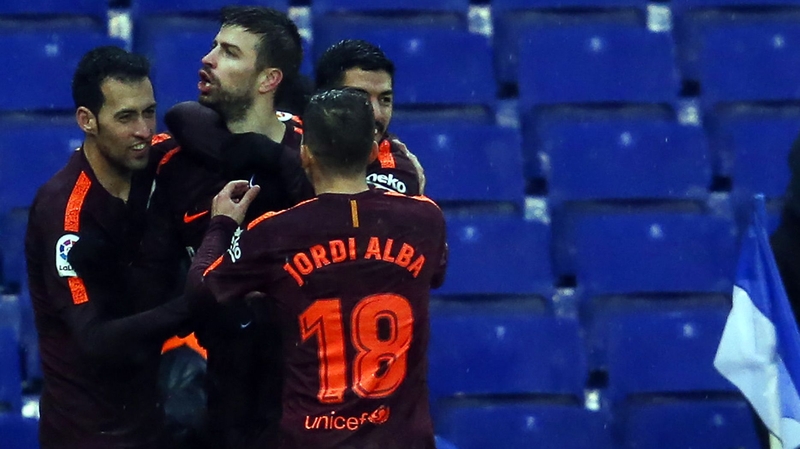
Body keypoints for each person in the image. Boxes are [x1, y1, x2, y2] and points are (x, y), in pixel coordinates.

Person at [187, 88, 447, 449]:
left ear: (305, 154)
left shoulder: (276, 232)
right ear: (373, 152)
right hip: (401, 439)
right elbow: (435, 274)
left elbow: (202, 287)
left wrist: (222, 225)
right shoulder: (426, 217)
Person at [141, 6, 311, 449]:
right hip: (214, 400)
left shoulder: (316, 155)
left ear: (268, 79)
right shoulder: (176, 164)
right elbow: (155, 279)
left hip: (302, 397)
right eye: (214, 45)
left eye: (229, 52)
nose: (208, 58)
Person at [24, 46, 191, 449]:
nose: (143, 130)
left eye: (148, 111)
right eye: (125, 117)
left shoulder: (151, 163)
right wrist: (194, 307)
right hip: (85, 434)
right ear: (87, 121)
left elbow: (200, 125)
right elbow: (94, 339)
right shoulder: (65, 214)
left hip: (150, 426)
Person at [315, 39, 426, 195]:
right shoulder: (289, 136)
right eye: (359, 98)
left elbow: (351, 211)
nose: (377, 114)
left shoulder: (396, 167)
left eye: (385, 100)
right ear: (323, 99)